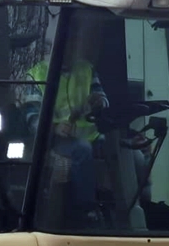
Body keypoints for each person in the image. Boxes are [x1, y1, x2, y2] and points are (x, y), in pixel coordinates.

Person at [19, 18, 110, 223]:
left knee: (134, 155)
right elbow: (32, 118)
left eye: (72, 45)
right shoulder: (36, 75)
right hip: (53, 141)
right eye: (65, 45)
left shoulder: (86, 69)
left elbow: (103, 99)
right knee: (83, 150)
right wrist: (55, 127)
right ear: (52, 47)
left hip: (94, 137)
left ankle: (132, 211)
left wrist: (99, 101)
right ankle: (86, 211)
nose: (70, 49)